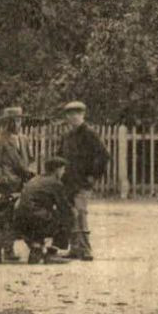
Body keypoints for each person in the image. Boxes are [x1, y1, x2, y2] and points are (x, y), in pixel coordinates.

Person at [57, 101, 107, 260]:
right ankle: (74, 248)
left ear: (83, 115)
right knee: (70, 214)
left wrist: (92, 176)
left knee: (80, 213)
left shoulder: (90, 133)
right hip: (68, 181)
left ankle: (86, 249)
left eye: (77, 114)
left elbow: (103, 155)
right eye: (70, 114)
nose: (73, 117)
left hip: (83, 181)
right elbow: (59, 156)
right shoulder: (67, 136)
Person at [0, 106, 32, 263]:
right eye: (15, 121)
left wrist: (30, 175)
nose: (18, 124)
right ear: (8, 123)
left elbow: (29, 161)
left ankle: (35, 247)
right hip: (6, 187)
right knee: (7, 217)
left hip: (23, 185)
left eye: (20, 120)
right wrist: (3, 182)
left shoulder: (24, 139)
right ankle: (8, 249)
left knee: (25, 214)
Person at [12, 157, 72, 265]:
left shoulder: (35, 179)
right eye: (63, 169)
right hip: (36, 219)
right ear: (57, 170)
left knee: (43, 214)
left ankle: (36, 248)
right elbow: (64, 207)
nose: (64, 172)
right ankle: (52, 252)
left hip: (19, 220)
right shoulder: (55, 183)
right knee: (67, 216)